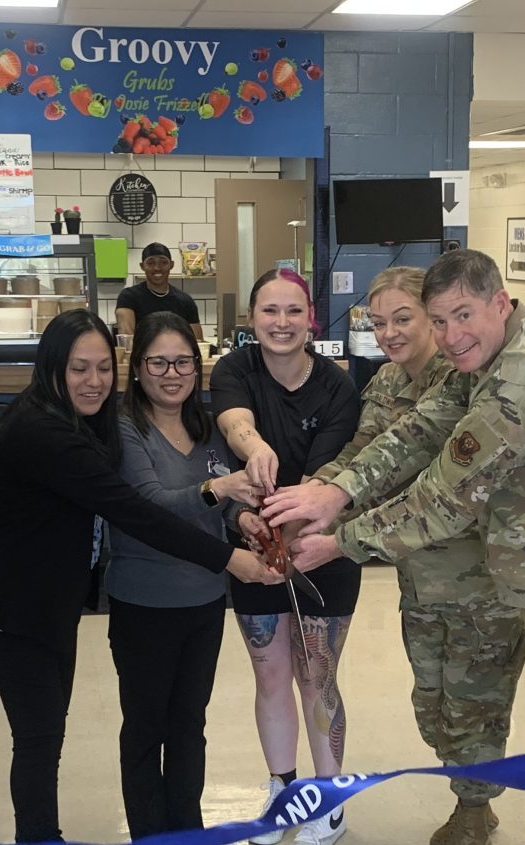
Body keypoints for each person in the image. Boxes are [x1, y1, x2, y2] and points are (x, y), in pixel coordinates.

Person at [264, 249, 525, 845]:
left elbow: (446, 496)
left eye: (462, 316)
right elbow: (421, 426)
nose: (451, 335)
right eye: (439, 320)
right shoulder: (496, 352)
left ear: (499, 301)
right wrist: (334, 492)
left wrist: (341, 542)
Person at [0, 309, 278, 845]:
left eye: (104, 368)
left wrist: (237, 517)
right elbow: (139, 511)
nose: (94, 381)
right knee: (40, 736)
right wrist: (230, 559)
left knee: (61, 733)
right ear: (53, 366)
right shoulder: (49, 431)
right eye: (80, 368)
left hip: (51, 604)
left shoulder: (83, 421)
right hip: (7, 609)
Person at [308, 267, 525, 845]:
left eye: (403, 319)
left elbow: (424, 481)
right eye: (377, 322)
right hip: (420, 584)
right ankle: (469, 793)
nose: (389, 333)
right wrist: (310, 497)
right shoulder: (383, 383)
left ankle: (475, 812)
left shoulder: (465, 383)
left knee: (475, 708)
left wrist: (334, 528)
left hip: (482, 586)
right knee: (431, 706)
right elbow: (364, 456)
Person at [211, 268, 361, 845]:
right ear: (252, 320)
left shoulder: (337, 386)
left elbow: (324, 484)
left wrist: (282, 540)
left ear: (310, 319)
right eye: (269, 311)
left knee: (316, 673)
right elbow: (232, 421)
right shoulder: (234, 370)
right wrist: (255, 450)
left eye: (293, 311)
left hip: (321, 548)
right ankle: (283, 786)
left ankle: (329, 795)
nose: (281, 322)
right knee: (270, 673)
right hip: (254, 548)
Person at [108, 312, 263, 839]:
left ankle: (187, 829)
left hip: (202, 602)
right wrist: (224, 491)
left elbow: (215, 504)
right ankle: (149, 833)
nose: (171, 373)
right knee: (146, 728)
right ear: (137, 368)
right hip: (143, 603)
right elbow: (149, 506)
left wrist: (242, 517)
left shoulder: (205, 426)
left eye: (183, 362)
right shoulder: (124, 426)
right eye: (158, 362)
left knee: (189, 725)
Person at [116, 242, 204, 340]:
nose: (157, 268)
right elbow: (126, 336)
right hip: (142, 354)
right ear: (142, 266)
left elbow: (197, 342)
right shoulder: (129, 297)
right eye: (150, 263)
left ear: (171, 265)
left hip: (176, 354)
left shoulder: (185, 300)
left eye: (163, 262)